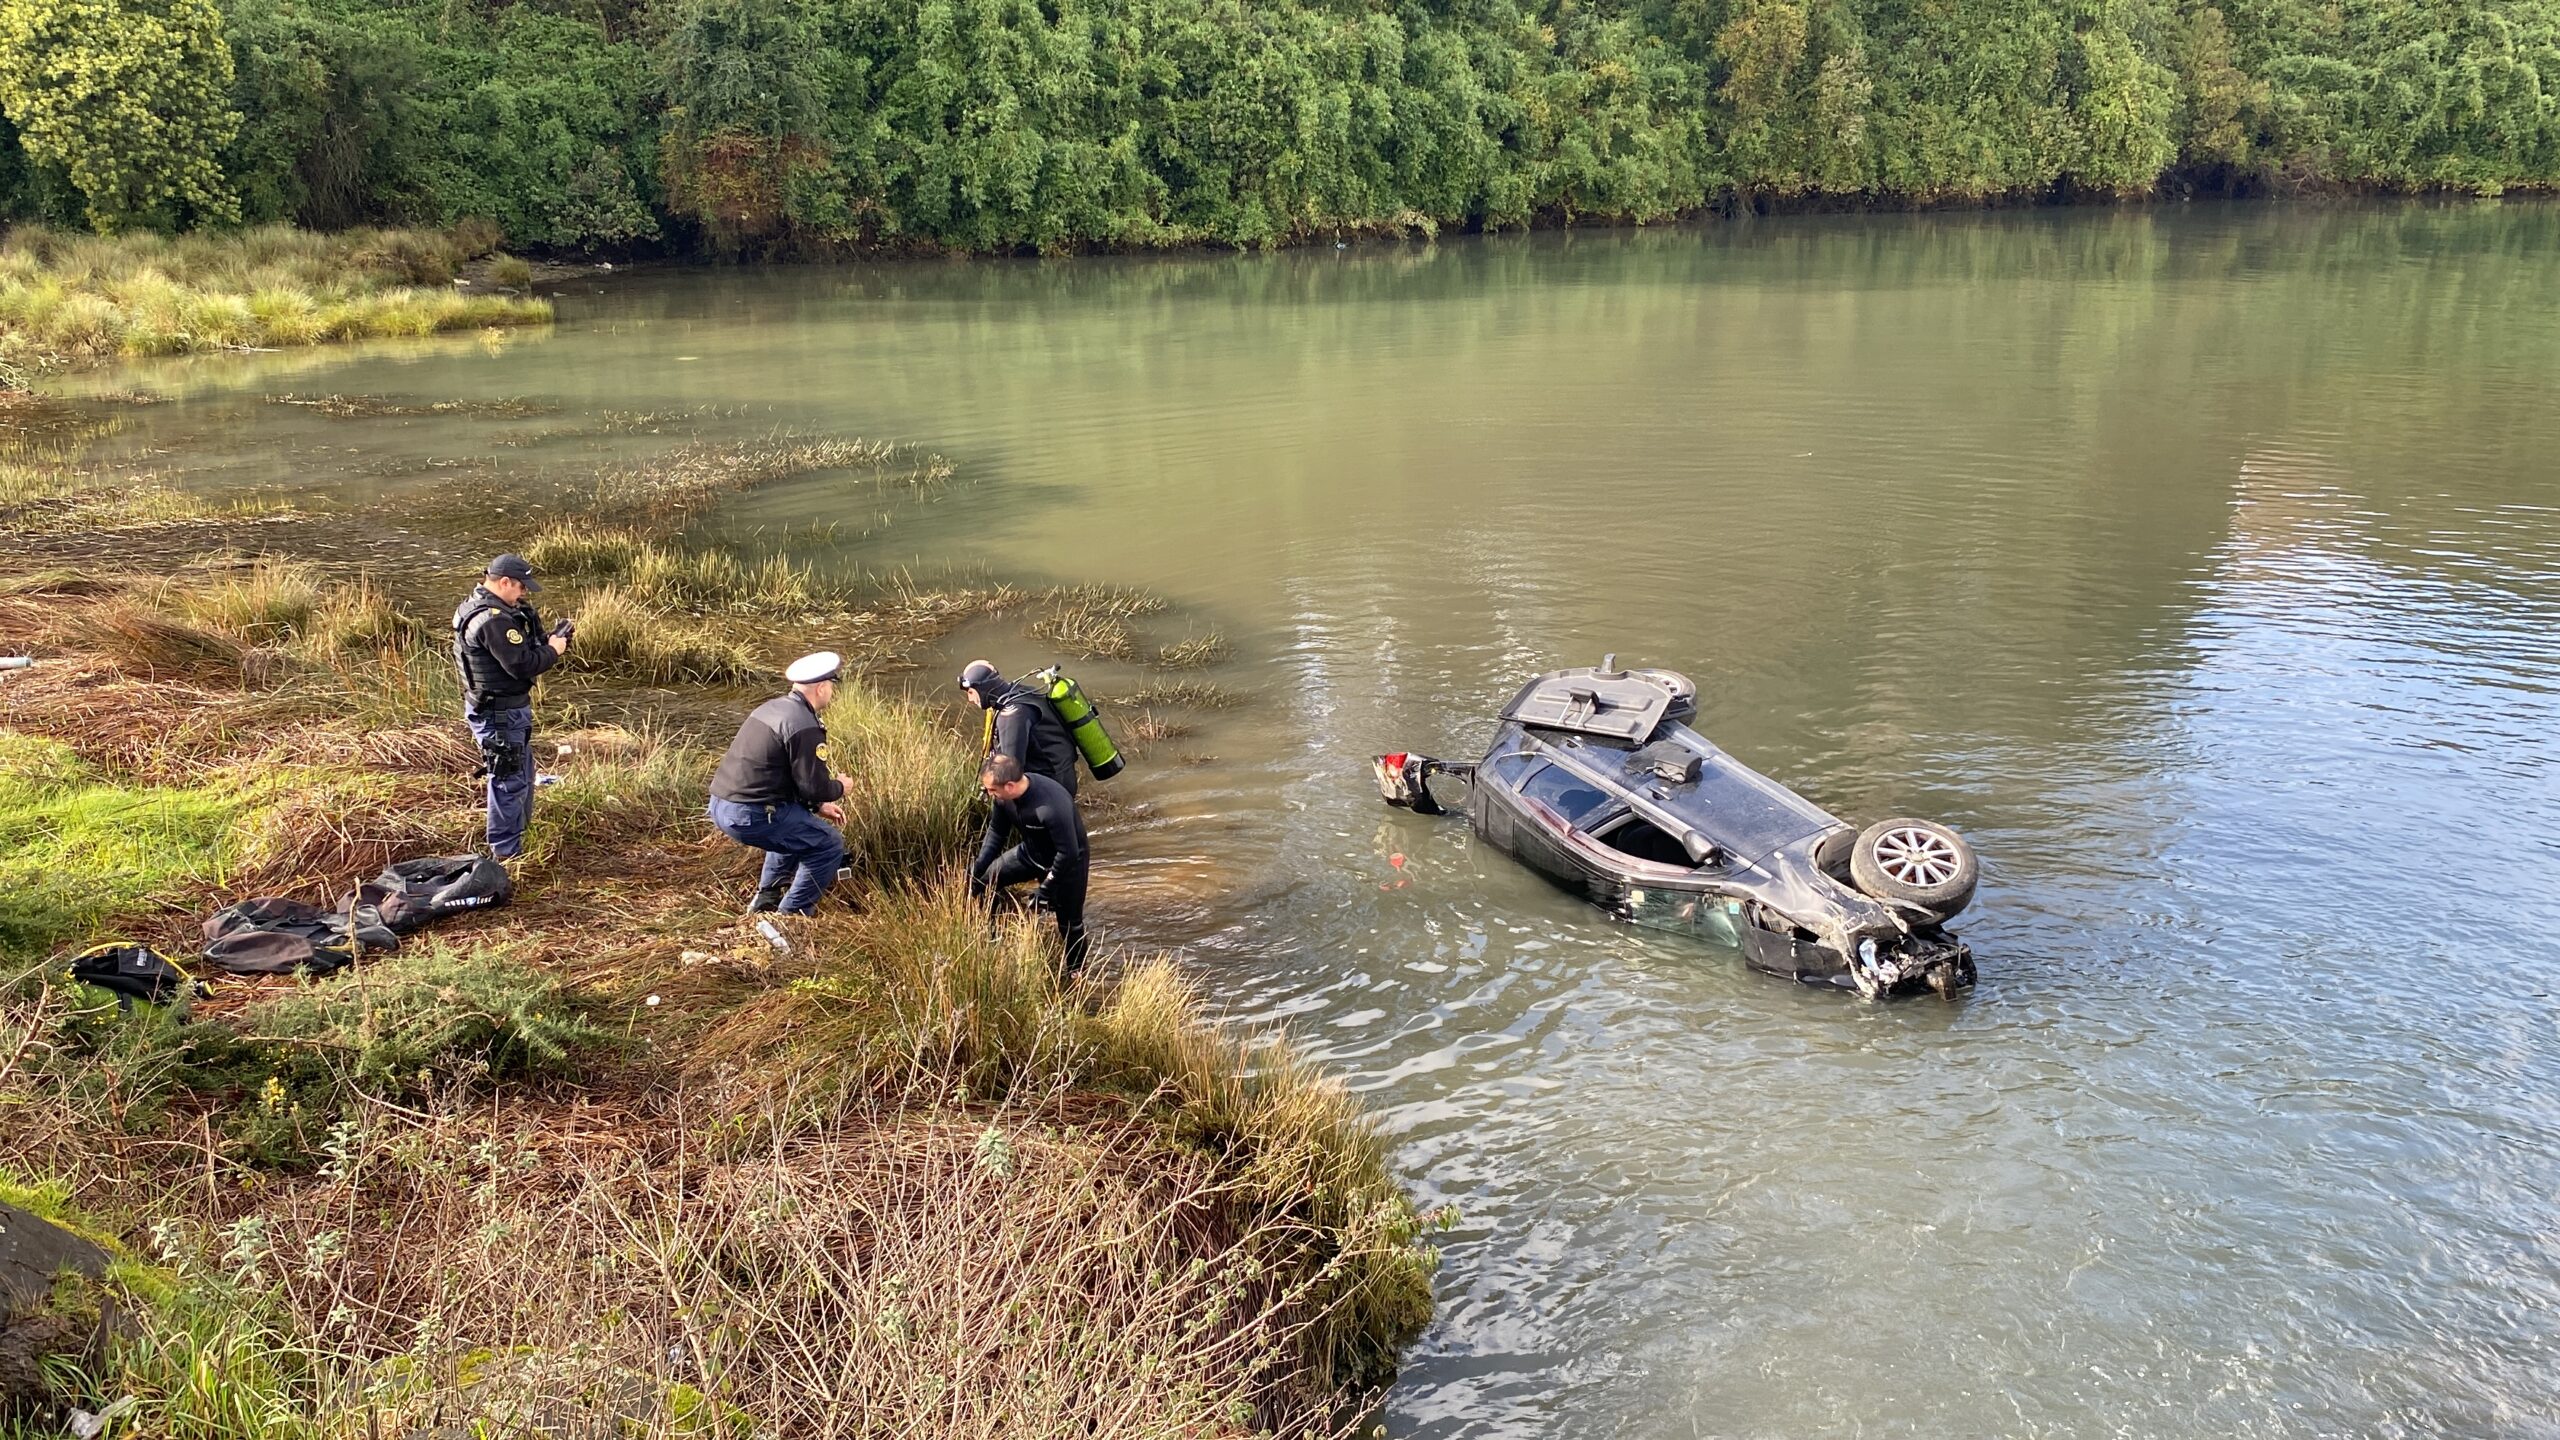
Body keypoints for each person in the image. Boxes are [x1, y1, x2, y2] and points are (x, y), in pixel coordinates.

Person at [708, 651, 854, 915]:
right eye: (831, 686)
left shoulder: (772, 708)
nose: (831, 692)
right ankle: (791, 915)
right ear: (821, 688)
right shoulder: (804, 724)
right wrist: (840, 787)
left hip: (720, 805)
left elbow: (778, 775)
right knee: (828, 843)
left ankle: (766, 899)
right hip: (748, 814)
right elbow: (814, 787)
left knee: (796, 826)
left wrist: (817, 806)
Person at [451, 554, 570, 861]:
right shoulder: (494, 620)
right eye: (521, 587)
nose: (524, 593)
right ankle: (506, 854)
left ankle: (519, 838)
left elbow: (516, 651)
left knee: (522, 774)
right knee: (509, 781)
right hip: (499, 714)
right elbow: (521, 665)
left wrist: (545, 639)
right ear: (504, 582)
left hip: (502, 710)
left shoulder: (480, 607)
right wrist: (554, 651)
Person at [969, 753, 1091, 975]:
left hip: (1069, 864)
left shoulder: (1051, 806)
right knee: (984, 883)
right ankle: (993, 940)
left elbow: (1069, 852)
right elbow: (996, 832)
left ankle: (1076, 975)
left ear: (1010, 785)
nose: (988, 794)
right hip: (1031, 854)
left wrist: (1046, 890)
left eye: (992, 790)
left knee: (1069, 923)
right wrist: (978, 867)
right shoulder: (1003, 798)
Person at [958, 659, 1080, 796]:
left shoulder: (1012, 715)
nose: (970, 699)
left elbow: (1009, 771)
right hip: (1063, 775)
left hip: (1050, 787)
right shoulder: (1021, 691)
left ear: (983, 689)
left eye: (971, 692)